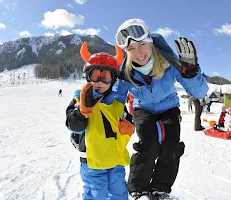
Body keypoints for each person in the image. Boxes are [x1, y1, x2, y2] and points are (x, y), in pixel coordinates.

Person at [114, 18, 208, 199]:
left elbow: (200, 91)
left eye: (142, 45)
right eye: (131, 49)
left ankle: (160, 189)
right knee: (148, 146)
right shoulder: (126, 72)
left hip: (169, 107)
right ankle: (138, 189)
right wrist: (119, 113)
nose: (139, 53)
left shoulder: (168, 62)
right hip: (143, 109)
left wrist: (191, 74)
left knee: (171, 147)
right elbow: (116, 98)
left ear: (151, 42)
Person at [65, 43, 135, 200]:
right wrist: (82, 113)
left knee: (119, 194)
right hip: (93, 163)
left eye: (106, 77)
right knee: (96, 195)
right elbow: (72, 125)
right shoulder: (80, 99)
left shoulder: (118, 104)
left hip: (116, 161)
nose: (100, 82)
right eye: (95, 75)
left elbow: (130, 126)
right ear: (88, 76)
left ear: (113, 80)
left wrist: (129, 128)